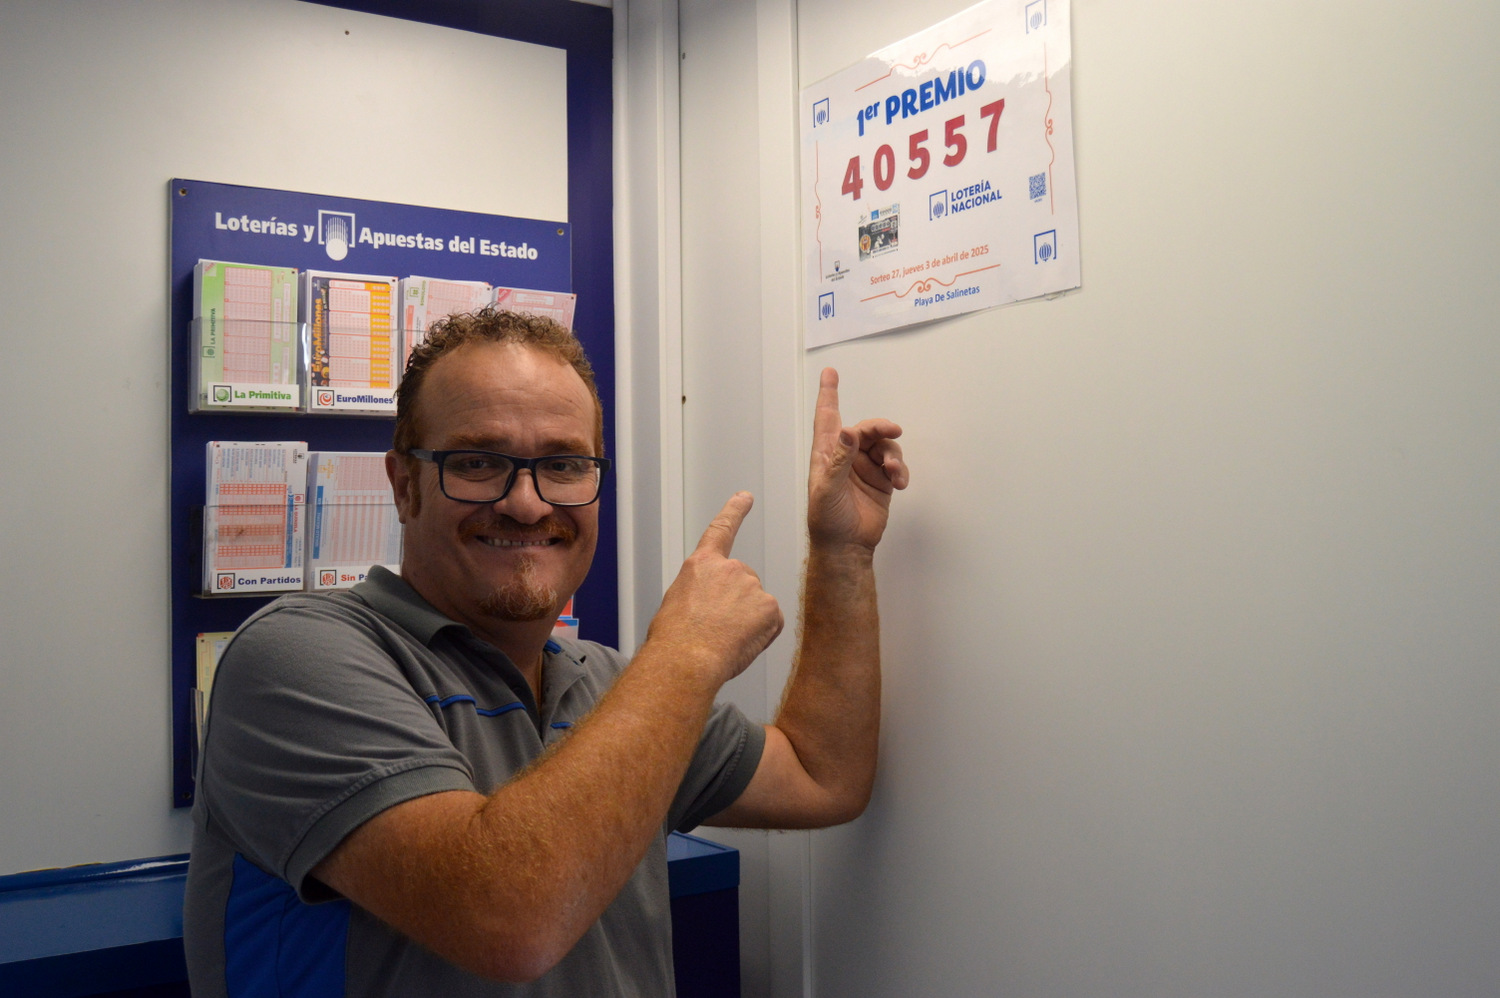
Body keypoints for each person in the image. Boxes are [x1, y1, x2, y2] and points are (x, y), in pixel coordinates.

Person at [184, 307, 908, 997]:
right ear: (404, 486)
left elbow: (821, 776)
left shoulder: (609, 684)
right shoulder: (296, 657)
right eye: (477, 462)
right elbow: (506, 919)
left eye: (563, 465)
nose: (527, 504)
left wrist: (842, 552)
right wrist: (687, 655)